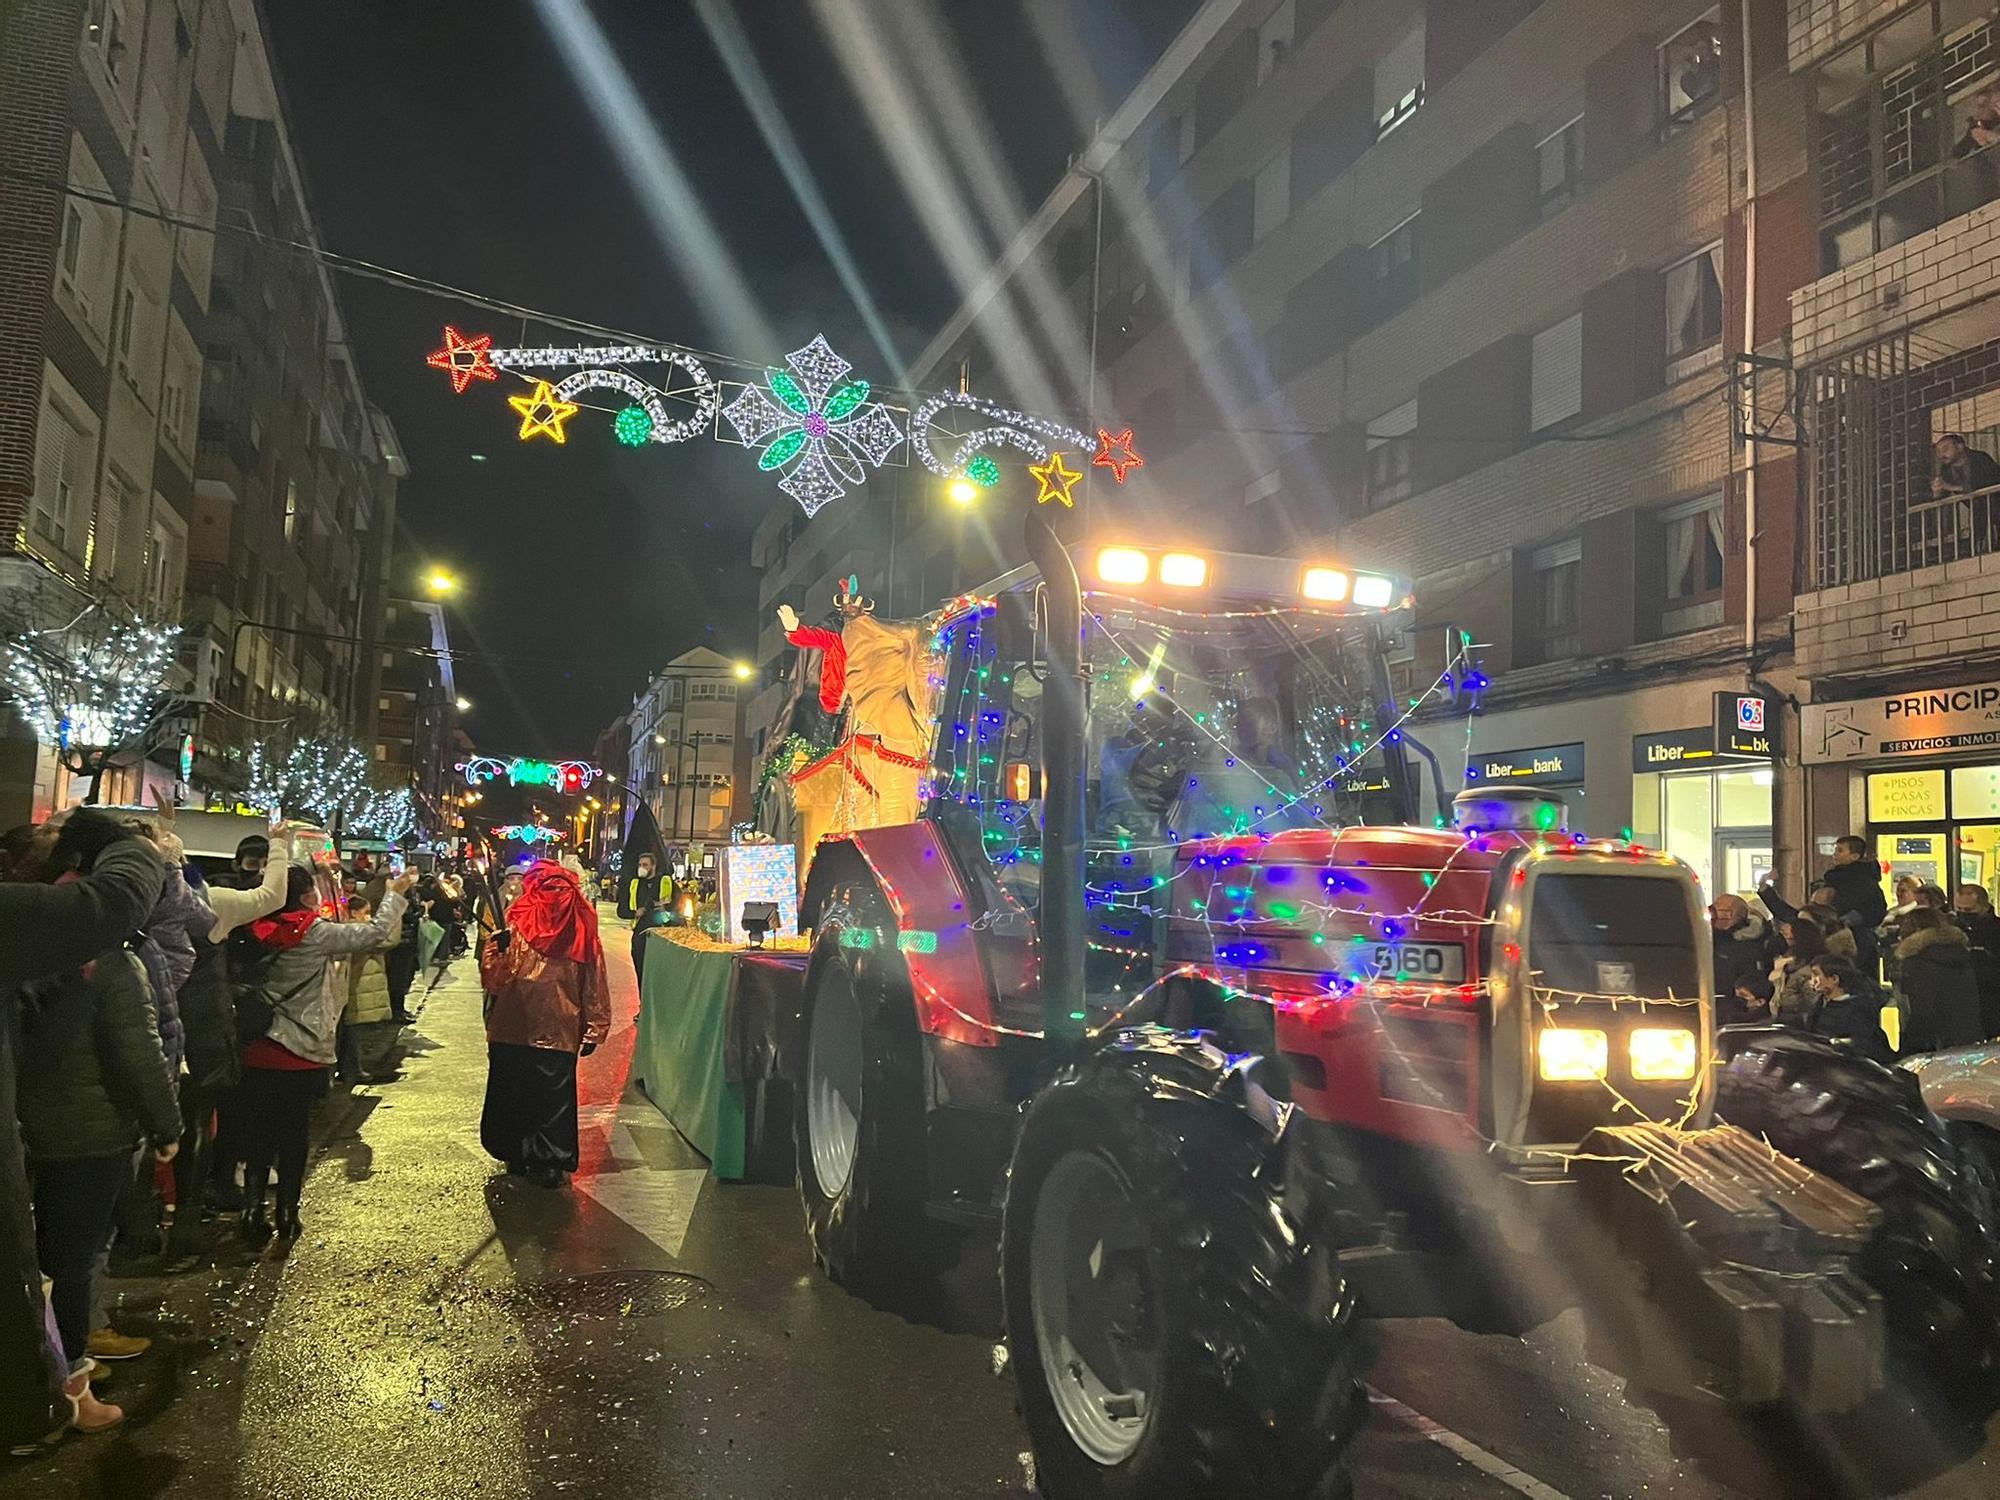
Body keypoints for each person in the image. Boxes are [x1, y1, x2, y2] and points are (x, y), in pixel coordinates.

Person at [0, 811, 166, 1452]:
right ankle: (37, 1407)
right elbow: (112, 902)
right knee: (48, 1269)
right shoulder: (92, 954)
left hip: (49, 1125)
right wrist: (124, 844)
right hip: (78, 1131)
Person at [236, 866, 411, 1244]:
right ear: (303, 896)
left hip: (256, 1045)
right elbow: (375, 933)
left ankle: (251, 1210)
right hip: (300, 1048)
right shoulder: (313, 933)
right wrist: (395, 893)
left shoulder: (250, 927)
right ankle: (286, 1212)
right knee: (293, 1134)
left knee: (259, 1132)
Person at [480, 861, 610, 1187]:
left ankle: (516, 1153)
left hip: (513, 1024)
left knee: (513, 1091)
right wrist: (595, 1025)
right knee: (552, 1098)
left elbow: (495, 979)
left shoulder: (517, 918)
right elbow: (594, 979)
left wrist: (496, 951)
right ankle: (548, 1159)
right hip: (558, 1028)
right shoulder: (582, 925)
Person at [1892, 907, 1986, 1054]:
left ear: (1914, 929)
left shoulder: (1915, 961)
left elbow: (1919, 1009)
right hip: (1968, 1035)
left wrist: (1908, 1047)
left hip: (1931, 1043)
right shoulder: (1964, 954)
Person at [336, 897, 400, 1085]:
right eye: (366, 912)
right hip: (356, 987)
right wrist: (396, 911)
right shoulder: (356, 932)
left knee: (352, 1029)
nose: (369, 916)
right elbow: (389, 941)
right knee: (353, 1030)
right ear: (354, 912)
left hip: (357, 986)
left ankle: (350, 1069)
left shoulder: (349, 930)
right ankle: (351, 1070)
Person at [1805, 956, 1895, 1065]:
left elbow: (1863, 1046)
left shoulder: (1859, 1010)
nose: (1812, 980)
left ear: (1834, 979)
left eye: (1816, 974)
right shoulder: (1820, 1004)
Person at [1769, 910, 1836, 1024]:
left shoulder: (1811, 970)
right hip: (1786, 1020)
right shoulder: (1790, 965)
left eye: (1790, 938)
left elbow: (1812, 1003)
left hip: (1799, 1024)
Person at [1953, 883, 2000, 1037]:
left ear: (1984, 907)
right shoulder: (1952, 931)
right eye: (1959, 909)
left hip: (1991, 1000)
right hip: (1963, 1002)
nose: (1963, 914)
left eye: (1969, 910)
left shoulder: (1995, 931)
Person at [1710, 894, 1775, 1001]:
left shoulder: (1752, 945)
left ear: (1730, 914)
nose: (1711, 912)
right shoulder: (1714, 938)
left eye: (1716, 908)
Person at [1931, 432, 2000, 499]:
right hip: (1980, 509)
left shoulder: (1979, 458)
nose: (1941, 455)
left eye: (1945, 449)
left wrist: (1950, 487)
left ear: (1960, 447)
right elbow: (1942, 495)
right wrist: (1937, 491)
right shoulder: (1945, 469)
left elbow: (1981, 484)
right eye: (1938, 451)